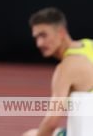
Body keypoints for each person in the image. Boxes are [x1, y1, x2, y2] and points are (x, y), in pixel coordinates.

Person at [23, 8, 93, 136]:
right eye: (36, 37)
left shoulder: (65, 69)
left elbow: (51, 123)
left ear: (61, 32)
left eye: (43, 35)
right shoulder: (89, 44)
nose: (39, 43)